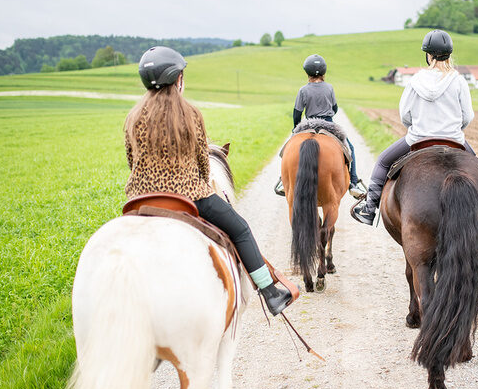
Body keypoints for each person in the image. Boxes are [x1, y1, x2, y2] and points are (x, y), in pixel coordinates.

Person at [126, 46, 292, 315]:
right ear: (177, 79)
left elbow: (131, 160)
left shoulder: (133, 117)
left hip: (140, 198)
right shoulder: (189, 114)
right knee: (240, 229)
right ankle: (270, 293)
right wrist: (202, 181)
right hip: (188, 195)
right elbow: (203, 161)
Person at [351, 30, 476, 225]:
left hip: (418, 139)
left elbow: (405, 116)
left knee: (383, 162)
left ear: (428, 55)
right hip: (454, 140)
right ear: (449, 54)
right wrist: (452, 129)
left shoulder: (415, 81)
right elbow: (467, 116)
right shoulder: (459, 81)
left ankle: (369, 209)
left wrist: (417, 127)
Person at [274, 54, 367, 199]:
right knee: (350, 149)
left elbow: (297, 113)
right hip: (328, 123)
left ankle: (282, 180)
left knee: (288, 148)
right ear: (324, 72)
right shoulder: (329, 88)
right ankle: (353, 183)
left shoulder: (303, 90)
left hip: (308, 123)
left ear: (307, 72)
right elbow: (335, 108)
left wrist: (295, 128)